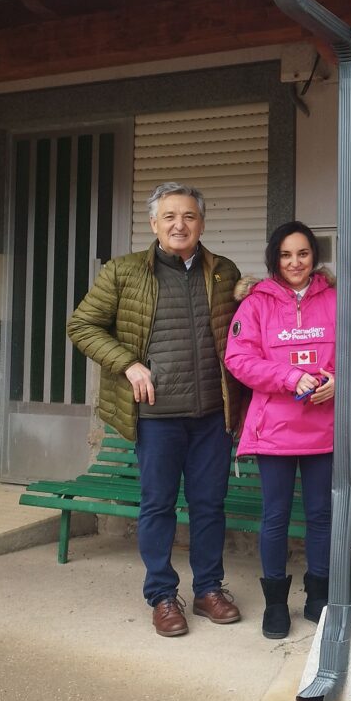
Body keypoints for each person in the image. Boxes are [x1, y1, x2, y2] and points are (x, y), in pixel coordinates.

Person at [67, 182, 245, 637]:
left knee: (209, 506)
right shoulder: (124, 272)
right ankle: (163, 595)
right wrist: (128, 364)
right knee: (158, 506)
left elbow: (242, 330)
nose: (179, 225)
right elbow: (81, 324)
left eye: (188, 216)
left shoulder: (224, 272)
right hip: (157, 416)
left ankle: (208, 589)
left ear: (202, 223)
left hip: (211, 415)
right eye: (169, 217)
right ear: (154, 224)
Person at [224, 221, 336, 639]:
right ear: (275, 258)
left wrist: (337, 380)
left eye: (303, 254)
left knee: (321, 516)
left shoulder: (336, 299)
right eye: (286, 255)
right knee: (275, 517)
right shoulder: (255, 304)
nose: (295, 263)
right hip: (274, 429)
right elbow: (239, 359)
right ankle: (275, 604)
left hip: (324, 428)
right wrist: (289, 377)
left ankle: (318, 595)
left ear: (314, 256)